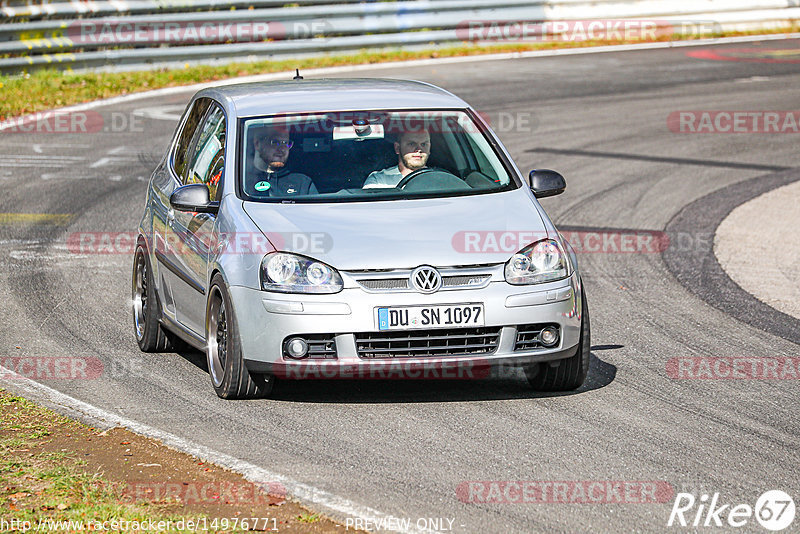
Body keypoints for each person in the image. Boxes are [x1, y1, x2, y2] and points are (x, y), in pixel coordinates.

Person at [247, 125, 318, 196]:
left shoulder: (302, 183)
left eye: (286, 143)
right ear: (257, 144)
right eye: (275, 142)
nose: (282, 149)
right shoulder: (241, 181)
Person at [362, 128, 430, 189]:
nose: (419, 149)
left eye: (423, 144)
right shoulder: (379, 181)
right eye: (412, 144)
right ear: (397, 148)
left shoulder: (439, 179)